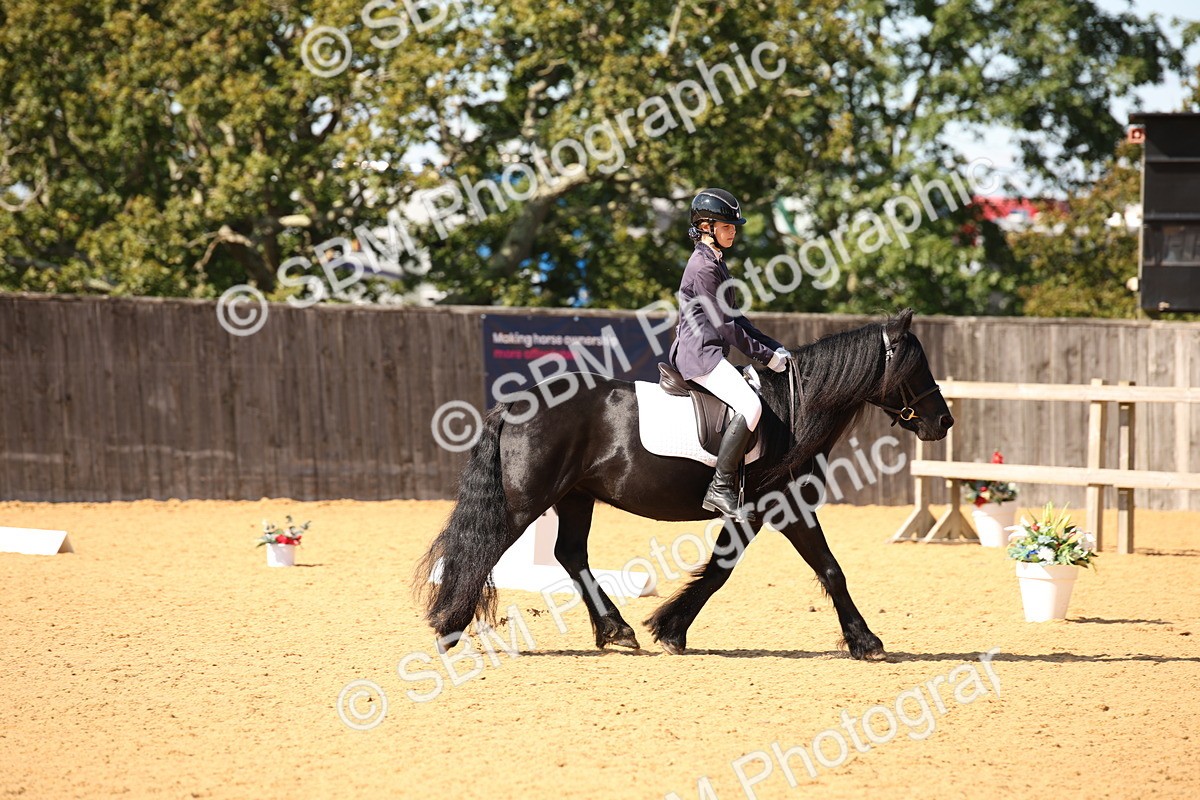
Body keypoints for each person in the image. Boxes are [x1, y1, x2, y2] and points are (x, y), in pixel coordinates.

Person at [669, 188, 791, 524]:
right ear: (705, 227)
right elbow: (726, 328)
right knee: (750, 406)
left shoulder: (716, 263)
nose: (733, 230)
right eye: (726, 225)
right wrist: (767, 359)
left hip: (709, 351)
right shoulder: (704, 268)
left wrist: (773, 346)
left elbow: (738, 319)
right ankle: (720, 486)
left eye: (734, 226)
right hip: (700, 356)